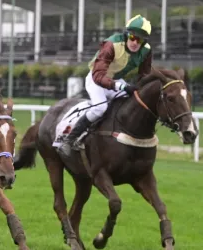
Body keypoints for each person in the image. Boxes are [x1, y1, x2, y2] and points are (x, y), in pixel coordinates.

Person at [59, 14, 153, 155]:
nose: (135, 43)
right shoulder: (111, 44)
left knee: (134, 101)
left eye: (139, 40)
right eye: (132, 37)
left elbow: (144, 75)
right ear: (126, 35)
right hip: (95, 78)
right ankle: (69, 139)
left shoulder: (146, 51)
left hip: (115, 80)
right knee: (100, 108)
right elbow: (98, 75)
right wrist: (120, 86)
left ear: (144, 42)